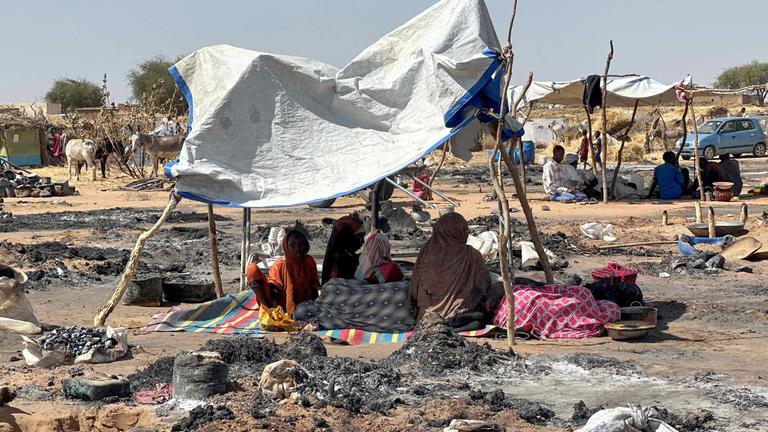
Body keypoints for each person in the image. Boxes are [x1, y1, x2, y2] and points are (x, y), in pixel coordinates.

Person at [410, 213, 502, 332]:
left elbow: (415, 286)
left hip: (424, 317)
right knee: (482, 316)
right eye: (465, 229)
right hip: (456, 313)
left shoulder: (426, 251)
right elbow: (484, 282)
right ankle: (452, 326)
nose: (467, 233)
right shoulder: (471, 255)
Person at [247, 228, 319, 314]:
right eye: (292, 245)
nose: (297, 248)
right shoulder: (280, 264)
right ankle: (267, 312)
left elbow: (314, 286)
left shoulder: (308, 261)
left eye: (301, 244)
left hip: (304, 304)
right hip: (279, 305)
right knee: (252, 269)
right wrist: (277, 313)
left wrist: (316, 308)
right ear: (286, 246)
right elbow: (275, 290)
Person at [321, 215, 364, 284]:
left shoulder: (339, 254)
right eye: (359, 236)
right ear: (349, 237)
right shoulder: (340, 258)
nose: (362, 241)